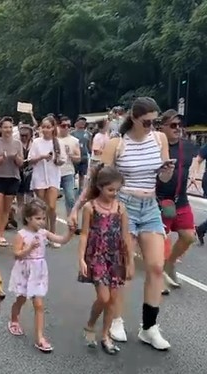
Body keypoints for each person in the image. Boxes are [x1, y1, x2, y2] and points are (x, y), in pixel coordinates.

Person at [68, 97, 173, 350]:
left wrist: (167, 171)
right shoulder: (117, 144)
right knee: (122, 270)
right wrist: (76, 208)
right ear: (134, 118)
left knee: (157, 267)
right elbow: (97, 181)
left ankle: (149, 327)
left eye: (155, 121)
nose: (151, 125)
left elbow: (164, 177)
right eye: (147, 121)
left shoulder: (159, 139)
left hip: (149, 207)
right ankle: (116, 319)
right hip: (121, 208)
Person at [77, 165, 133, 355]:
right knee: (104, 297)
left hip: (116, 257)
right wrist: (81, 260)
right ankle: (90, 325)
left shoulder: (121, 208)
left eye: (117, 190)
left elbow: (126, 236)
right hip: (97, 256)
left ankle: (105, 335)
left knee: (113, 300)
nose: (114, 194)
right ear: (100, 187)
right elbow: (84, 234)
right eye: (111, 190)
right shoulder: (89, 207)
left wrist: (130, 262)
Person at [7, 198, 73, 352]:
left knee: (39, 304)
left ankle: (39, 337)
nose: (42, 222)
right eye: (38, 218)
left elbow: (61, 240)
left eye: (43, 218)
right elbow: (17, 255)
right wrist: (29, 248)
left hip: (38, 271)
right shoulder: (21, 235)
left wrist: (70, 233)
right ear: (28, 218)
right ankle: (14, 319)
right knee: (21, 299)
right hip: (24, 270)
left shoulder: (44, 233)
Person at [156, 110, 197, 290]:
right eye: (173, 125)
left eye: (179, 125)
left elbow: (195, 162)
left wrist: (195, 174)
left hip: (181, 200)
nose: (177, 129)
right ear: (162, 127)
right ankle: (158, 279)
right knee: (160, 241)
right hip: (160, 201)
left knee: (189, 236)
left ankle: (170, 264)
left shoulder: (187, 146)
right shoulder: (155, 146)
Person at [0, 117, 23, 250]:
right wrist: (1, 158)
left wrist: (15, 158)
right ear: (0, 129)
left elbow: (21, 163)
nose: (7, 130)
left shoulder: (18, 144)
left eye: (9, 127)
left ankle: (1, 234)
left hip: (12, 177)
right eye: (5, 127)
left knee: (6, 209)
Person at [28, 116, 65, 247]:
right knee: (41, 208)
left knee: (52, 206)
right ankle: (41, 234)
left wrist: (58, 160)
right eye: (43, 127)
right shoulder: (36, 142)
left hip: (53, 176)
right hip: (39, 176)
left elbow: (63, 159)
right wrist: (42, 157)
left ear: (53, 128)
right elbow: (30, 160)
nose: (45, 130)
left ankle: (52, 234)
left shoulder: (58, 142)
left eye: (48, 127)